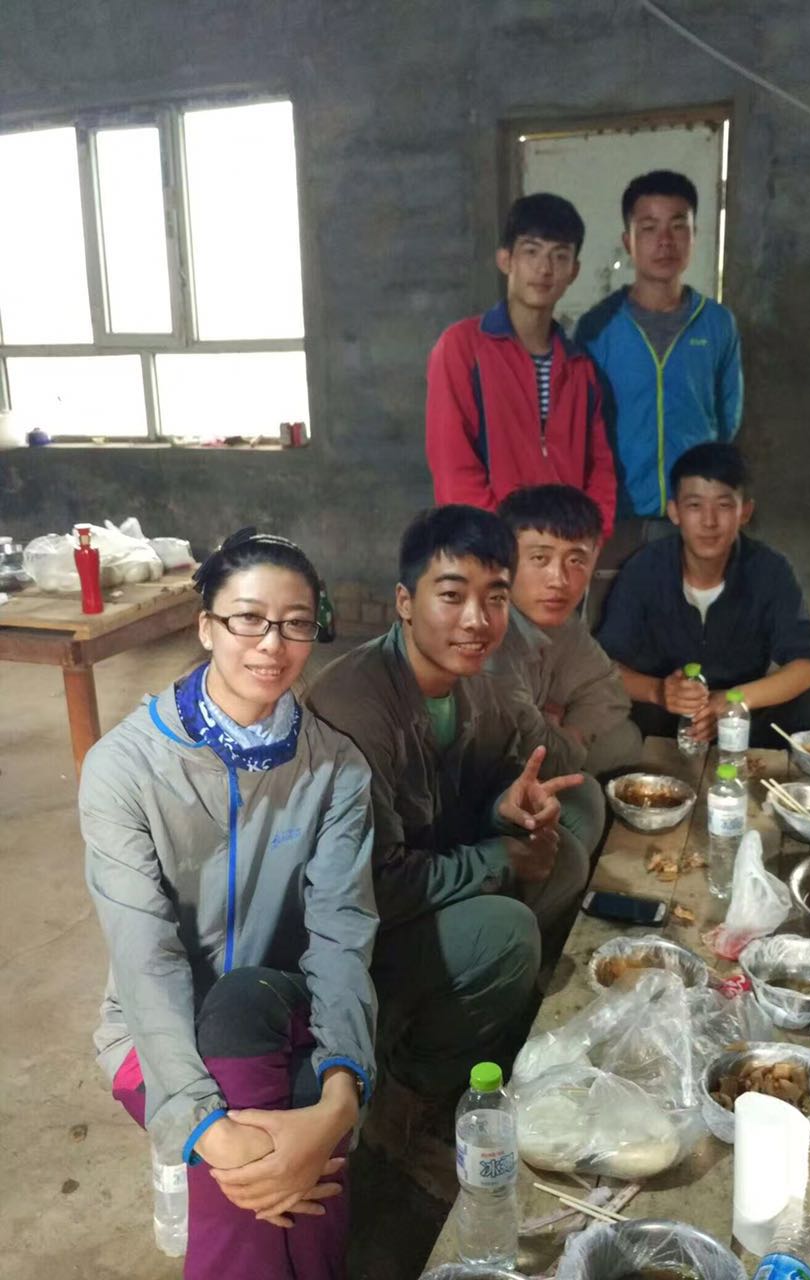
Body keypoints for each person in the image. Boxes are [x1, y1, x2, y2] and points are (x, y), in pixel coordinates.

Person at [80, 529, 378, 1280]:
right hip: (152, 1035)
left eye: (296, 622)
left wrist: (341, 1097)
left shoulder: (336, 767)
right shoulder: (124, 769)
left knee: (309, 1133)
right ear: (206, 625)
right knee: (255, 1172)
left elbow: (341, 936)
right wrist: (202, 1122)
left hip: (282, 1011)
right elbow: (145, 958)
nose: (272, 643)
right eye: (248, 618)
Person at [308, 506, 603, 1185]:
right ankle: (406, 1102)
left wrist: (511, 805)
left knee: (577, 810)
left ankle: (487, 1004)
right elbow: (373, 885)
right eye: (451, 595)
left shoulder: (475, 682)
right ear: (405, 602)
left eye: (494, 598)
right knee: (507, 931)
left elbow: (494, 776)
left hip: (429, 872)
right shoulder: (355, 708)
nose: (476, 620)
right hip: (355, 934)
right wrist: (500, 857)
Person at [595, 444, 810, 747]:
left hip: (744, 715)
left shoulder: (769, 569)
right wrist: (659, 692)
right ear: (675, 512)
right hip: (666, 714)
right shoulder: (645, 569)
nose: (709, 521)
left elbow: (809, 665)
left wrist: (734, 701)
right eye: (695, 505)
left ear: (744, 511)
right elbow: (604, 665)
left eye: (723, 505)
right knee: (607, 711)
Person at [575, 170, 744, 606]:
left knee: (695, 625)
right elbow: (582, 426)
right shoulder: (598, 328)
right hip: (619, 514)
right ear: (629, 241)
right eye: (649, 228)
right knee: (614, 626)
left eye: (677, 226)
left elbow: (727, 418)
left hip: (695, 514)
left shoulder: (717, 324)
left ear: (694, 235)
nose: (664, 241)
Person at [425, 193, 616, 538]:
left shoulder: (580, 368)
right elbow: (454, 466)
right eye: (531, 251)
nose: (545, 269)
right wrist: (502, 544)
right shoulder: (462, 348)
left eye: (560, 256)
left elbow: (600, 468)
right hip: (488, 550)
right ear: (505, 260)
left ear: (574, 271)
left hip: (563, 552)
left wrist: (589, 540)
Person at [491, 483, 644, 778]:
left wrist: (573, 731)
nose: (559, 579)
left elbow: (609, 689)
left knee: (623, 740)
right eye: (540, 558)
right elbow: (516, 752)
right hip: (474, 781)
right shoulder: (486, 631)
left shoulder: (561, 622)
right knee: (585, 795)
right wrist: (550, 724)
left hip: (543, 748)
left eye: (576, 560)